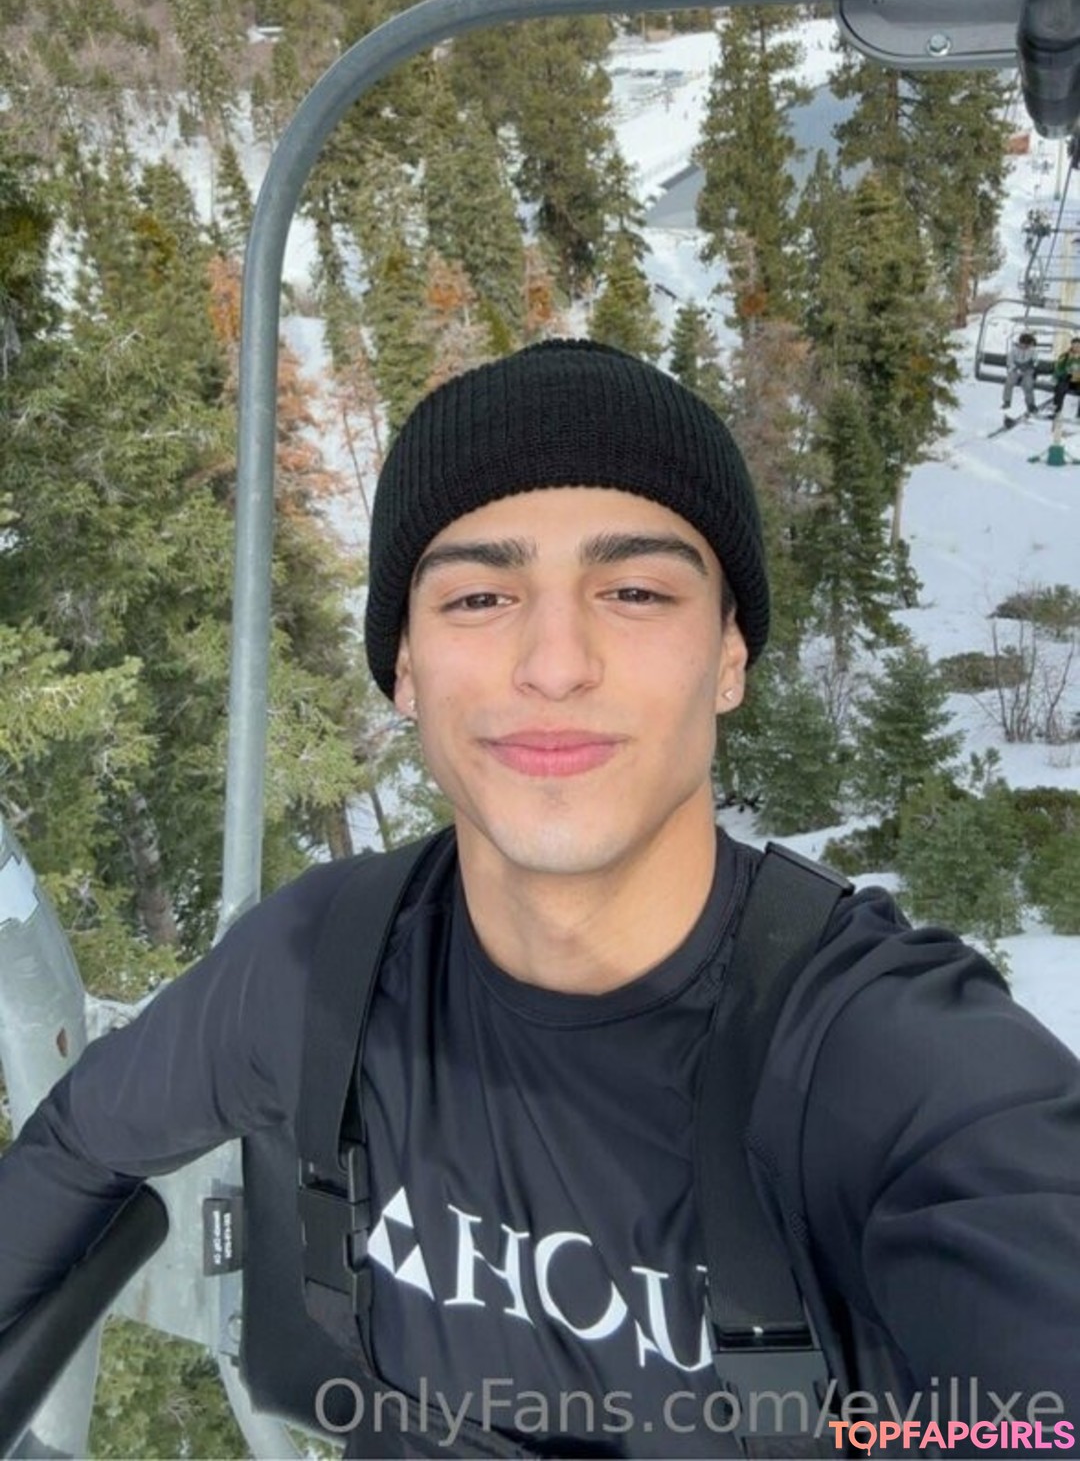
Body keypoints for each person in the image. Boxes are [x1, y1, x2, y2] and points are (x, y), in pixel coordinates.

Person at [0, 340, 1078, 1460]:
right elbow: (78, 1145)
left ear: (729, 656)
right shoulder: (322, 964)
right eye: (478, 595)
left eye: (635, 591)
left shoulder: (895, 1067)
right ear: (405, 666)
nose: (556, 662)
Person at [1001, 329, 1040, 414]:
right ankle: (1007, 401)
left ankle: (1031, 404)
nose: (1025, 347)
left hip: (1027, 371)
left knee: (1028, 385)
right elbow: (1009, 361)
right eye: (1023, 345)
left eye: (1027, 345)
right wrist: (1015, 368)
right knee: (1009, 382)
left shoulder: (1032, 350)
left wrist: (1031, 366)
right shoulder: (1014, 350)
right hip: (1016, 369)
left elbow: (1036, 361)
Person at [1052, 335, 1080, 420]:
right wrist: (1065, 372)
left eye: (1078, 346)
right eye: (1074, 346)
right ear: (1071, 346)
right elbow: (1058, 369)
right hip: (1068, 379)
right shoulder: (1065, 356)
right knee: (1060, 388)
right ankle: (1057, 410)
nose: (1076, 348)